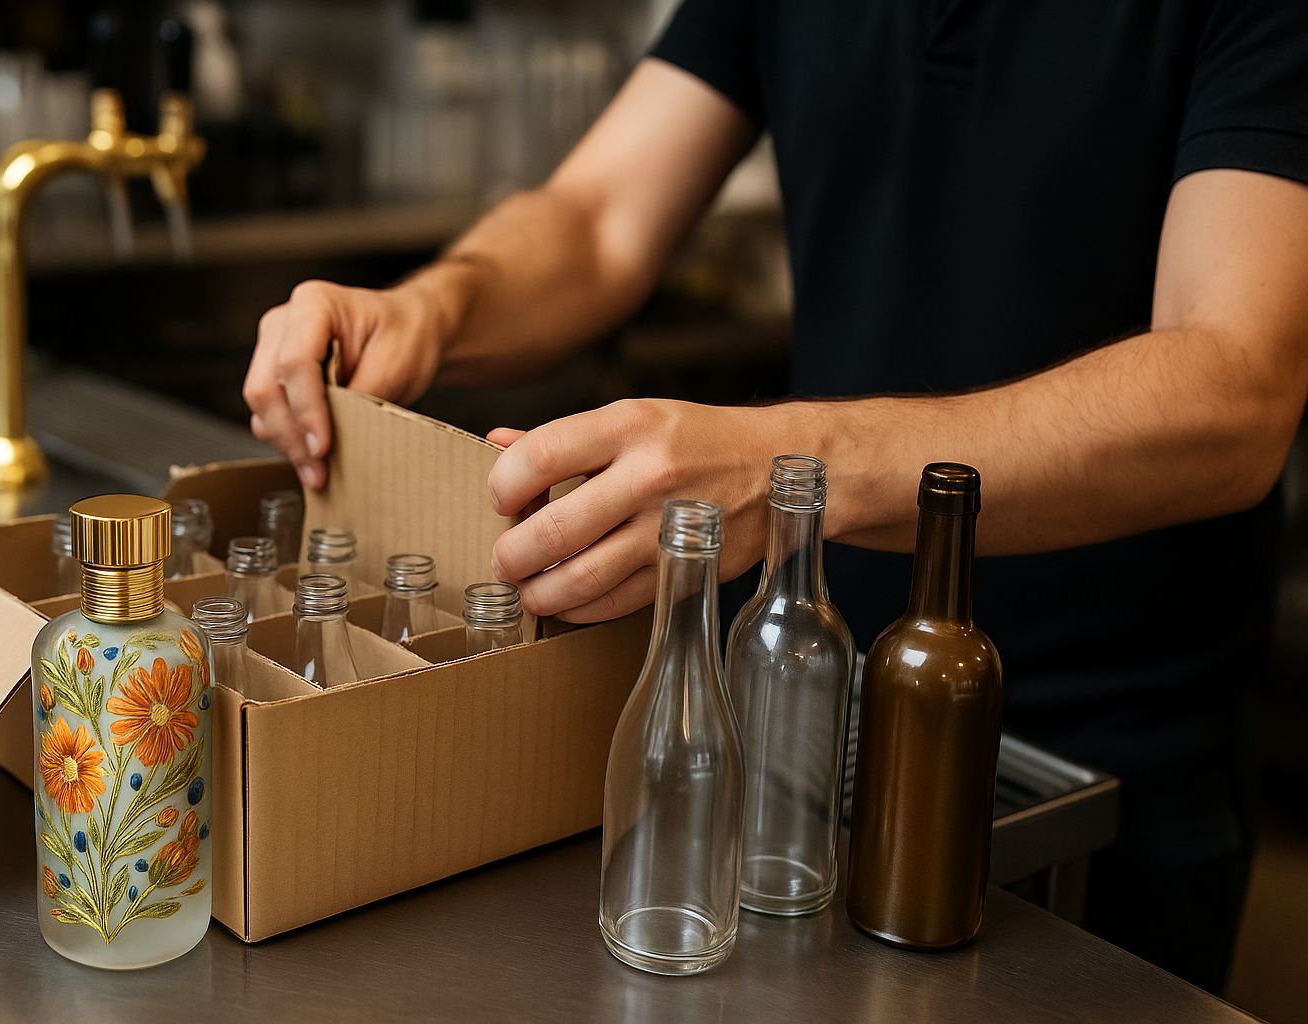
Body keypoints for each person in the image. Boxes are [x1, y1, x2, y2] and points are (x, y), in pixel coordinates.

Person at [244, 0, 1308, 993]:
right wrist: (432, 306)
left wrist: (790, 463)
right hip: (809, 697)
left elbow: (1236, 387)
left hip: (1107, 747)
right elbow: (600, 215)